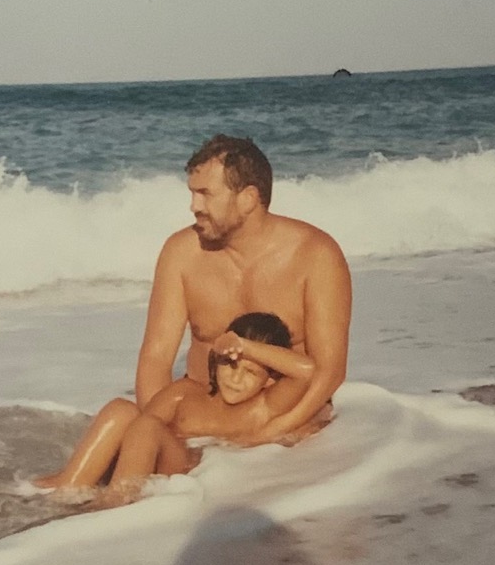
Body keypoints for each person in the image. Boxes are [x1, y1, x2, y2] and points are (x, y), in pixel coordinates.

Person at [135, 134, 352, 444]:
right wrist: (160, 432)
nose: (193, 206)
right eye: (192, 193)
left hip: (285, 426)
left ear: (248, 199)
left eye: (205, 194)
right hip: (202, 424)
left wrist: (271, 432)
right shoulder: (181, 253)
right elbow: (155, 359)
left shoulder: (316, 255)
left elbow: (330, 372)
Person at [36, 312, 315, 507]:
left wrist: (243, 346)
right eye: (230, 364)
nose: (236, 378)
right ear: (217, 359)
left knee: (148, 426)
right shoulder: (186, 393)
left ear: (269, 379)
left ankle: (112, 507)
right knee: (121, 409)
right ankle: (64, 489)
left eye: (250, 372)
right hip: (150, 468)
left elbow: (307, 371)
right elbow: (135, 433)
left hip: (189, 474)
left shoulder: (264, 407)